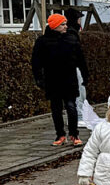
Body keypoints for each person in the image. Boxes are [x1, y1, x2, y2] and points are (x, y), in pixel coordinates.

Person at [31, 12, 89, 147]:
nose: (65, 26)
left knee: (71, 106)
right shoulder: (42, 42)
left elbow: (81, 59)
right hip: (52, 80)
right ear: (54, 26)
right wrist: (39, 79)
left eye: (65, 24)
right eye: (62, 24)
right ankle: (60, 134)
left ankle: (74, 134)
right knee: (56, 108)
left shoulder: (71, 39)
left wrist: (85, 76)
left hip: (69, 79)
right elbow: (36, 62)